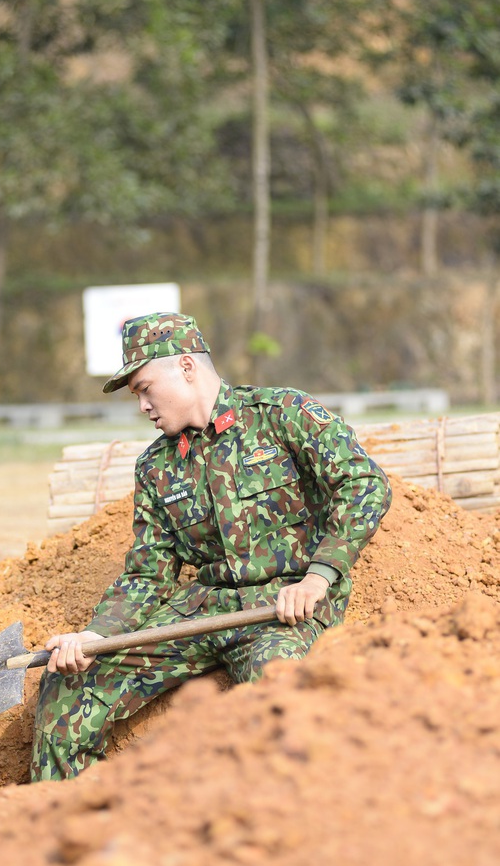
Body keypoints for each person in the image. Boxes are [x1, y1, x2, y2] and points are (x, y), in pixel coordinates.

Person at [31, 311, 391, 782]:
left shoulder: (282, 415)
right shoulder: (155, 467)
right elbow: (147, 573)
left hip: (285, 610)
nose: (142, 406)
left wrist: (318, 577)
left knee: (280, 700)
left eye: (143, 388)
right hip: (205, 610)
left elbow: (365, 484)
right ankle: (63, 828)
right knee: (68, 687)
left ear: (185, 367)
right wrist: (98, 636)